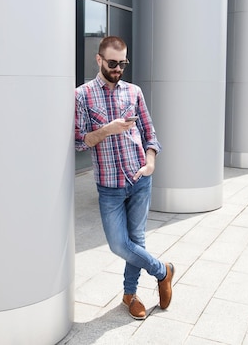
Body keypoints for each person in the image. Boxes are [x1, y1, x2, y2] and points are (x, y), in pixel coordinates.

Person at [74, 35, 174, 320]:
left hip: (140, 178)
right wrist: (108, 129)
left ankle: (130, 295)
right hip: (109, 186)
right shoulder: (82, 95)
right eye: (113, 63)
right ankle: (163, 271)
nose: (118, 68)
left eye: (123, 63)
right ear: (99, 59)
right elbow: (80, 141)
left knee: (136, 241)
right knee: (119, 244)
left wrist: (151, 161)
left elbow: (149, 131)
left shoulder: (134, 92)